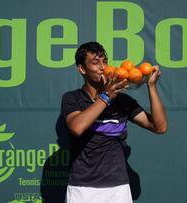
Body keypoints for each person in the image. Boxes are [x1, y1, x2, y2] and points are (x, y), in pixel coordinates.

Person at [60, 41, 168, 203]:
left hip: (118, 189)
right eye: (95, 63)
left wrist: (151, 86)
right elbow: (77, 127)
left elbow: (160, 127)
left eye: (105, 61)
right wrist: (107, 97)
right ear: (82, 69)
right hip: (82, 188)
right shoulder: (73, 98)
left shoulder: (122, 101)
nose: (102, 67)